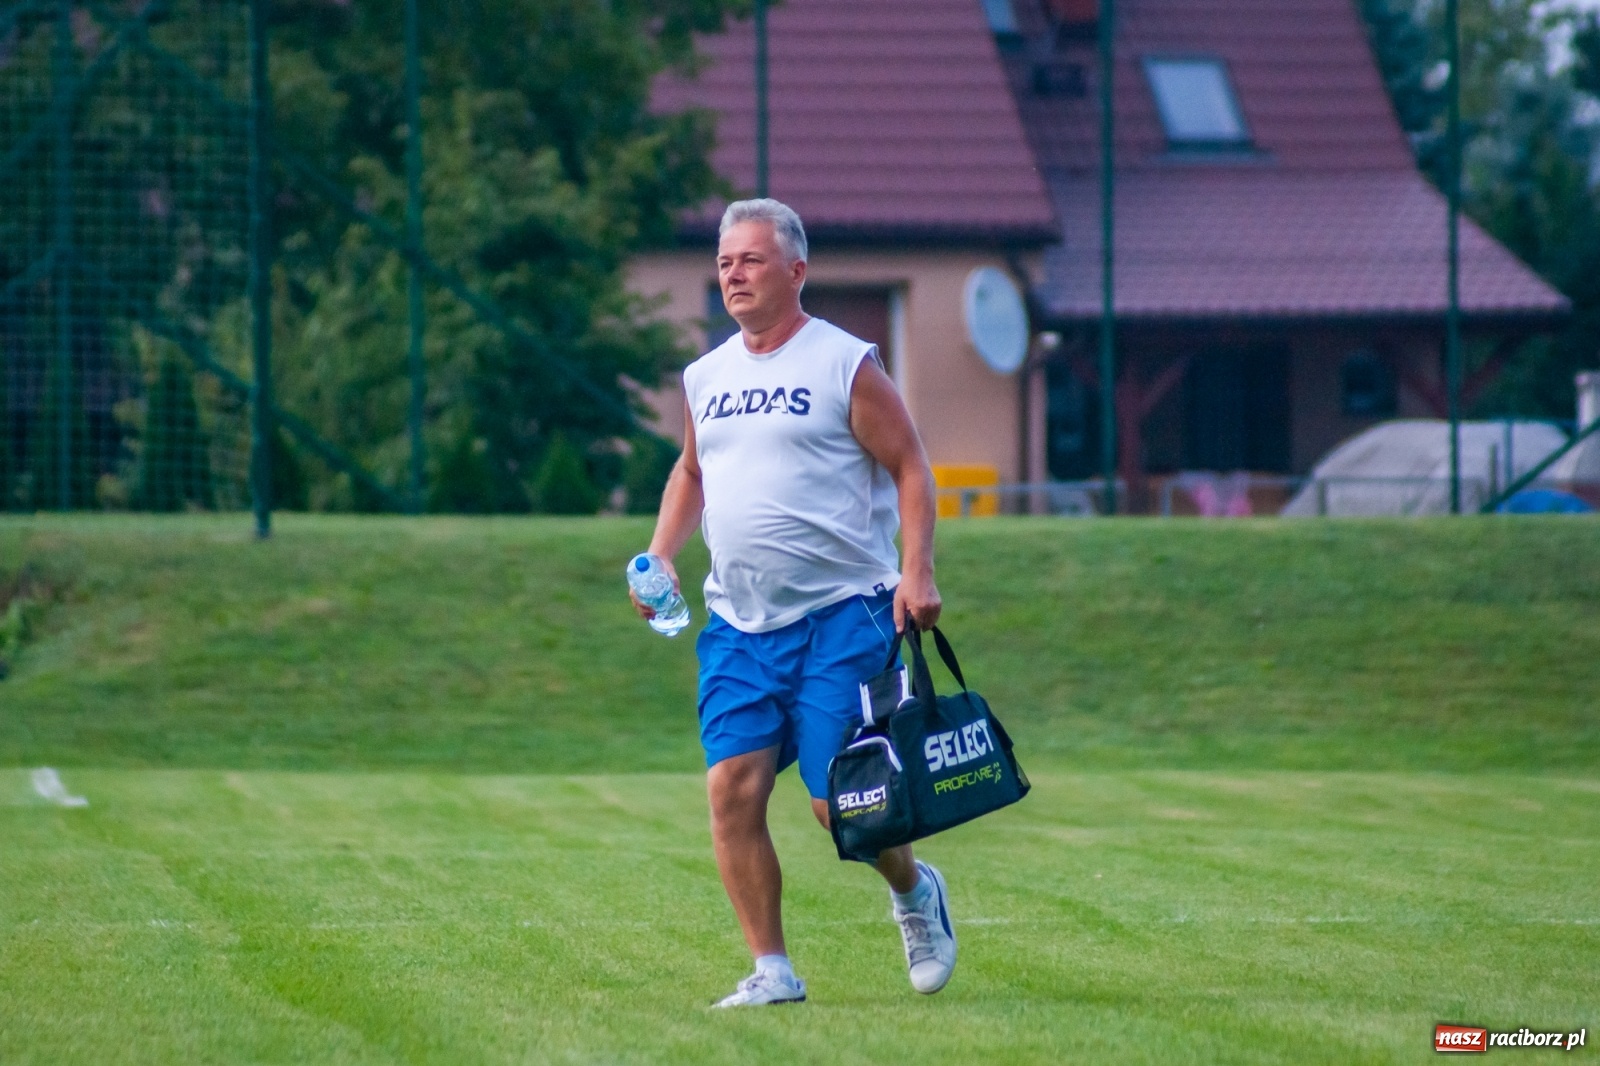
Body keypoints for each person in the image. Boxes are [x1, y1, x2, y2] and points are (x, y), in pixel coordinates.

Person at [630, 198, 954, 1007]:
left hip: (845, 611)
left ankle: (914, 892)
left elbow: (913, 466)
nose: (733, 274)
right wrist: (661, 555)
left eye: (751, 259)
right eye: (724, 262)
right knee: (731, 786)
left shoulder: (845, 364)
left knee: (836, 799)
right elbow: (692, 475)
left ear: (796, 271)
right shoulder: (706, 376)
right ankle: (772, 970)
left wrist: (917, 572)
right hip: (740, 622)